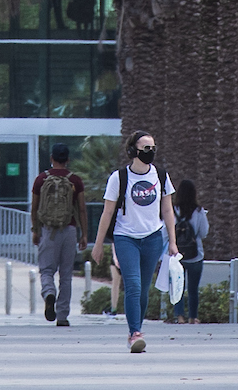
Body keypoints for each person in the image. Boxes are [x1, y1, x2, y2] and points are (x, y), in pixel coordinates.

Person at [91, 130, 177, 353]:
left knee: (144, 289)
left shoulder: (161, 175)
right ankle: (134, 333)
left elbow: (167, 209)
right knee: (133, 285)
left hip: (153, 237)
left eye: (153, 148)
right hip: (125, 237)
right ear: (132, 151)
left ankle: (136, 328)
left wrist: (172, 242)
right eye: (145, 148)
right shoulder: (119, 178)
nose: (151, 152)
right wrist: (98, 244)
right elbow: (107, 213)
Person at [31, 142, 87, 326]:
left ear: (51, 159)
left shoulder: (41, 179)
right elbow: (81, 210)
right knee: (66, 275)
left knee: (47, 270)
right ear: (68, 159)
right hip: (69, 229)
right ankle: (62, 316)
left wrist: (35, 230)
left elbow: (35, 207)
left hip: (48, 230)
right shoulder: (75, 180)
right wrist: (84, 234)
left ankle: (49, 293)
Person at [171, 179, 209, 324]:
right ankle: (193, 317)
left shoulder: (173, 210)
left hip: (176, 255)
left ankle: (179, 316)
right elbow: (204, 232)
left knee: (177, 287)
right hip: (195, 255)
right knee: (193, 288)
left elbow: (165, 231)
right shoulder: (199, 212)